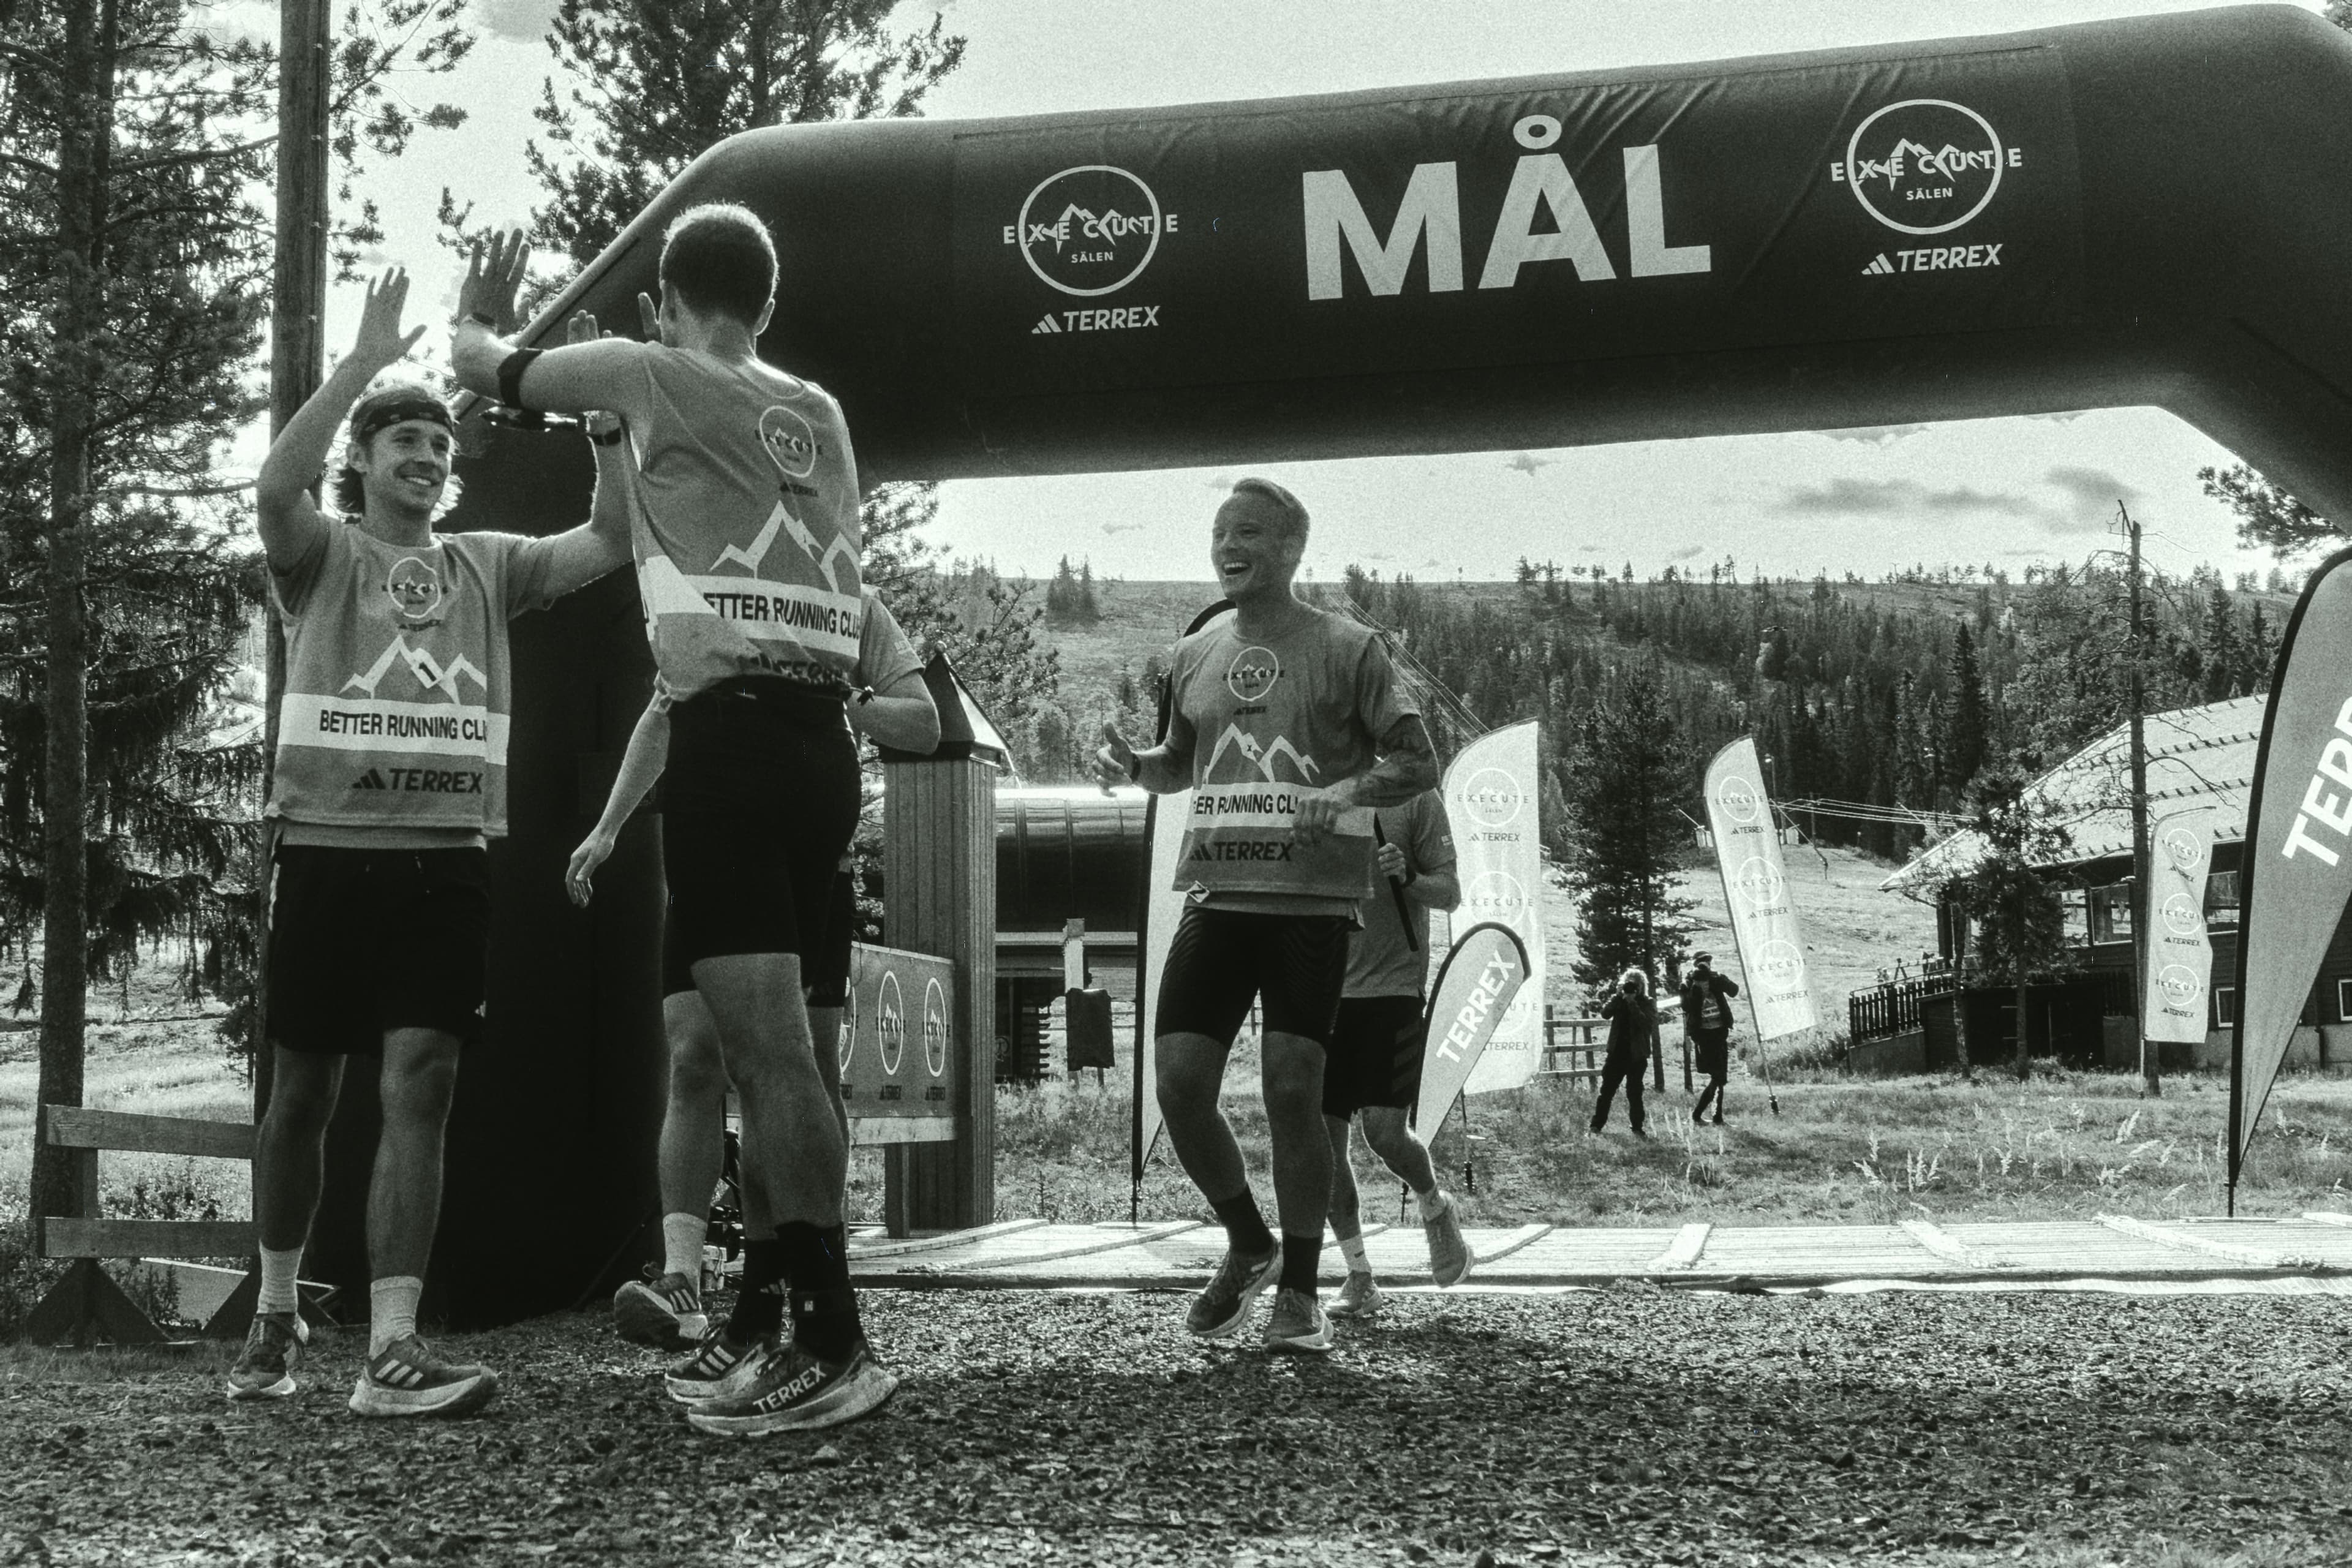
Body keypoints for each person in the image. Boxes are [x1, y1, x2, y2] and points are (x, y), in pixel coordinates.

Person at [451, 210, 888, 1434]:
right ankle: (763, 1315)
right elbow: (655, 505)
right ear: (765, 301)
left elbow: (485, 364)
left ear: (664, 302)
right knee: (779, 1052)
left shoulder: (655, 369)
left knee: (770, 1063)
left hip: (731, 746)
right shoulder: (817, 410)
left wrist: (481, 309)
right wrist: (610, 434)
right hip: (817, 747)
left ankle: (838, 1340)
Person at [230, 268, 632, 1414]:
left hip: (448, 859)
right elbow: (271, 483)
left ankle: (393, 1349)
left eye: (434, 444)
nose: (421, 457)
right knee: (301, 1098)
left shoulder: (484, 565)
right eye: (399, 443)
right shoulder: (322, 555)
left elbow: (609, 536)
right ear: (364, 464)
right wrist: (359, 366)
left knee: (422, 1088)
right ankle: (272, 1321)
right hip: (323, 851)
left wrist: (600, 411)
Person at [1095, 478, 1439, 1354]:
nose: (1227, 545)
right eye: (1218, 532)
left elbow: (1416, 759)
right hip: (1216, 898)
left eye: (1248, 532)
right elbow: (1181, 761)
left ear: (1292, 550)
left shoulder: (1348, 647)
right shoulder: (1195, 651)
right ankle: (1247, 1241)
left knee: (1293, 1093)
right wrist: (1137, 766)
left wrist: (1347, 792)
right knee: (1177, 1087)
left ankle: (1300, 1291)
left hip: (1312, 907)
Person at [563, 589, 938, 1355]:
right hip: (714, 855)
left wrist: (846, 699)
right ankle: (684, 1280)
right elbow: (661, 713)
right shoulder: (703, 588)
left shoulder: (849, 603)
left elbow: (925, 723)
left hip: (808, 868)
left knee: (792, 1066)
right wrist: (607, 829)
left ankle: (797, 1284)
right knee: (696, 1057)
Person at [1322, 793, 1476, 1321]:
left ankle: (1435, 1205)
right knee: (1323, 1143)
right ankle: (1359, 1274)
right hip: (1322, 992)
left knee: (1384, 1135)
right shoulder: (1318, 784)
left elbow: (1451, 893)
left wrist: (1409, 877)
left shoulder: (1415, 799)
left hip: (1392, 990)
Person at [1589, 968, 1657, 1138]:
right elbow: (1605, 1014)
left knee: (1634, 1093)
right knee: (1606, 1092)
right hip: (1617, 1054)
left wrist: (1633, 1003)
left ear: (1642, 986)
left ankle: (1637, 1128)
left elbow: (1646, 1023)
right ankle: (1596, 1126)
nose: (1631, 988)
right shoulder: (1618, 1000)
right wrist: (1618, 997)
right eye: (1628, 983)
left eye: (1635, 984)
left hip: (1637, 1056)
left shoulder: (1648, 1002)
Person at [1680, 951, 1740, 1126]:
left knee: (1720, 1077)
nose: (1706, 966)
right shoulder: (1688, 984)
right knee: (1718, 1077)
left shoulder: (1716, 979)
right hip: (1704, 1035)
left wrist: (1719, 978)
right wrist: (1697, 988)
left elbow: (1734, 991)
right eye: (1702, 963)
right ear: (1694, 965)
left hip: (1720, 1032)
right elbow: (1687, 1006)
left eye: (1708, 963)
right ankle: (1706, 1116)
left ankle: (1708, 1117)